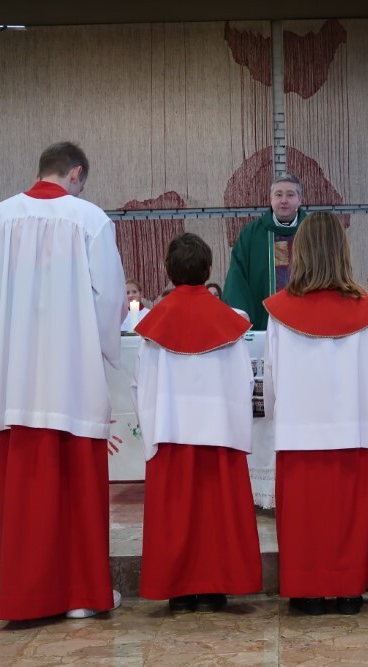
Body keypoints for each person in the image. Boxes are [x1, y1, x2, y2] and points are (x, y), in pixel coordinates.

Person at [0, 141, 126, 621]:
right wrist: (101, 352)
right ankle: (82, 596)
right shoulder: (90, 219)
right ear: (76, 174)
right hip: (74, 377)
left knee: (27, 496)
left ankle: (28, 600)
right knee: (80, 488)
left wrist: (6, 360)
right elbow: (109, 300)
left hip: (19, 383)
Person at [263, 211, 368, 616]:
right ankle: (349, 591)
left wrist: (277, 420)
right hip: (353, 430)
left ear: (300, 252)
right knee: (348, 515)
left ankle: (307, 592)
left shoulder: (280, 311)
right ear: (343, 251)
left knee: (306, 518)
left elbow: (271, 376)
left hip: (299, 431)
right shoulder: (365, 311)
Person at [131, 233, 262, 613]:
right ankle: (215, 589)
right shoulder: (230, 323)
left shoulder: (154, 326)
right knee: (217, 514)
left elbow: (142, 385)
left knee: (175, 515)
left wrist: (153, 432)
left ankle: (180, 590)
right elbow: (244, 381)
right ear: (208, 270)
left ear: (168, 272)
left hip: (170, 433)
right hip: (220, 434)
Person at [223, 174, 307, 330]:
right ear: (270, 199)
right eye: (278, 195)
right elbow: (237, 275)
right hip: (263, 324)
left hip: (306, 323)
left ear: (300, 199)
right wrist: (241, 312)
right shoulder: (252, 234)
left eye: (290, 195)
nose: (284, 200)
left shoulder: (313, 232)